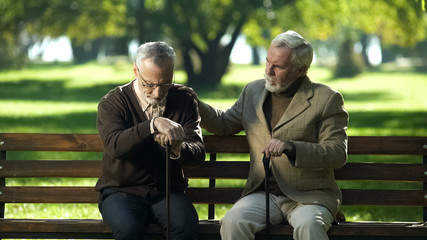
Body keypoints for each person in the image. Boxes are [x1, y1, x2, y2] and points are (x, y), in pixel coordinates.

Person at [187, 30, 348, 240]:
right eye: (267, 61)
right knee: (233, 223)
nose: (268, 71)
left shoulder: (326, 99)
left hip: (310, 197)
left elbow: (336, 153)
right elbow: (224, 124)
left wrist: (291, 147)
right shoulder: (253, 92)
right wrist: (194, 103)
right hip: (262, 195)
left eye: (278, 66)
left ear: (301, 69)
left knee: (309, 227)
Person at [95, 41, 205, 240]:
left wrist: (178, 147)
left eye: (165, 84)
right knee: (130, 230)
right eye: (150, 84)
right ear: (136, 71)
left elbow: (198, 153)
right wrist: (152, 125)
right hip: (121, 191)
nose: (158, 92)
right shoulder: (113, 102)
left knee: (185, 228)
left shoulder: (185, 99)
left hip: (168, 192)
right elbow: (114, 147)